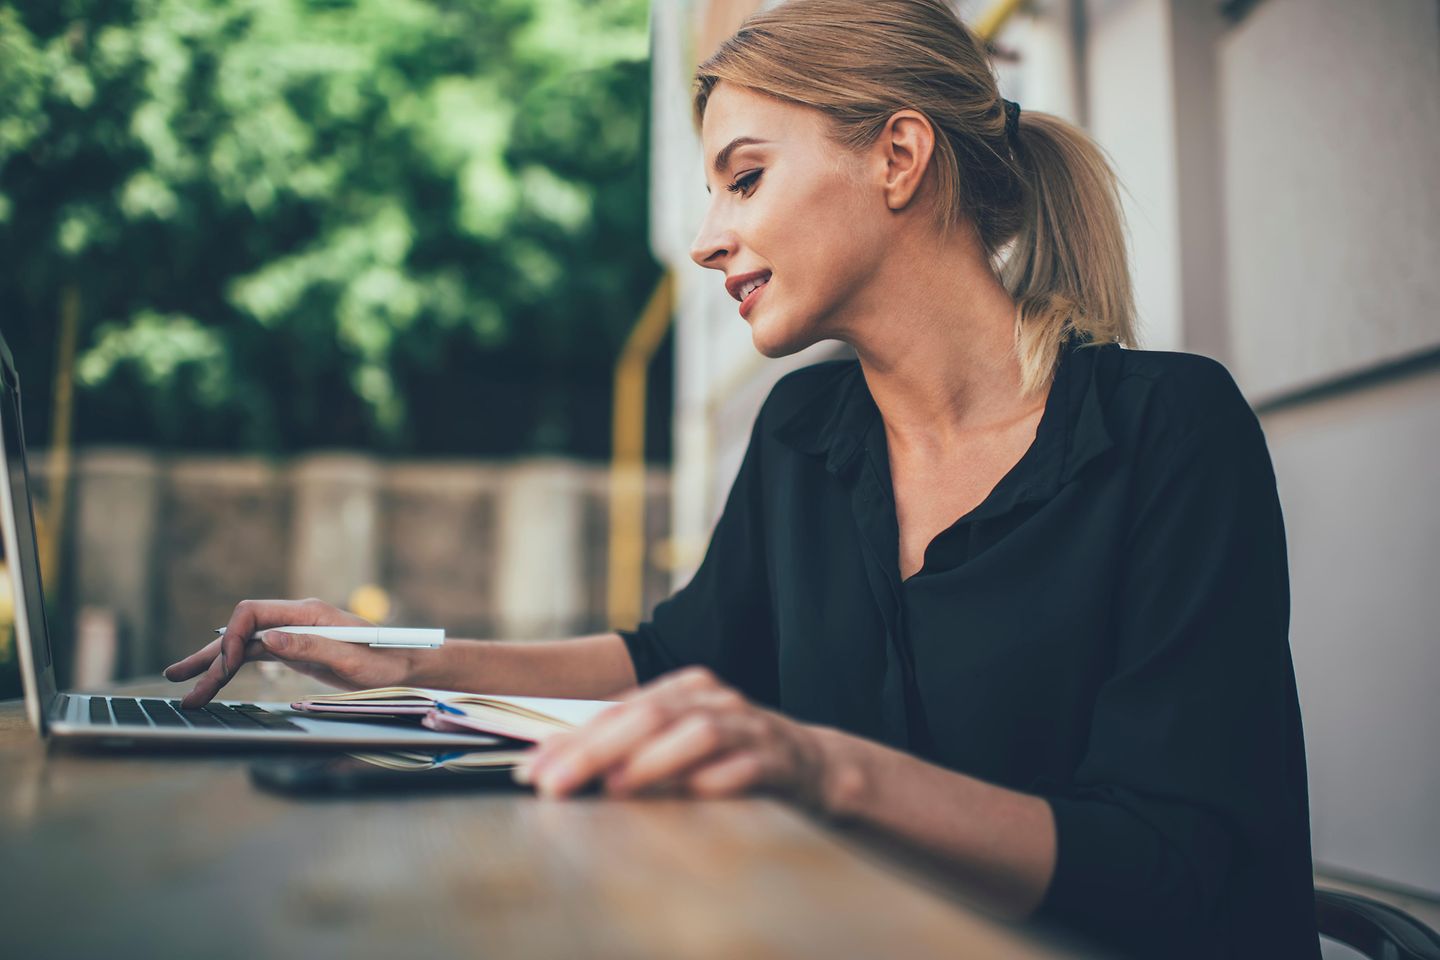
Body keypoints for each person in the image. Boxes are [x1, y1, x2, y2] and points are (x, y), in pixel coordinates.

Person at [165, 1, 1320, 955]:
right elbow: (676, 662)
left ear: (899, 157)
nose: (709, 238)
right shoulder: (806, 434)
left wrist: (823, 770)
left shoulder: (1172, 431)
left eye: (745, 178)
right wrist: (403, 663)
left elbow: (1175, 868)